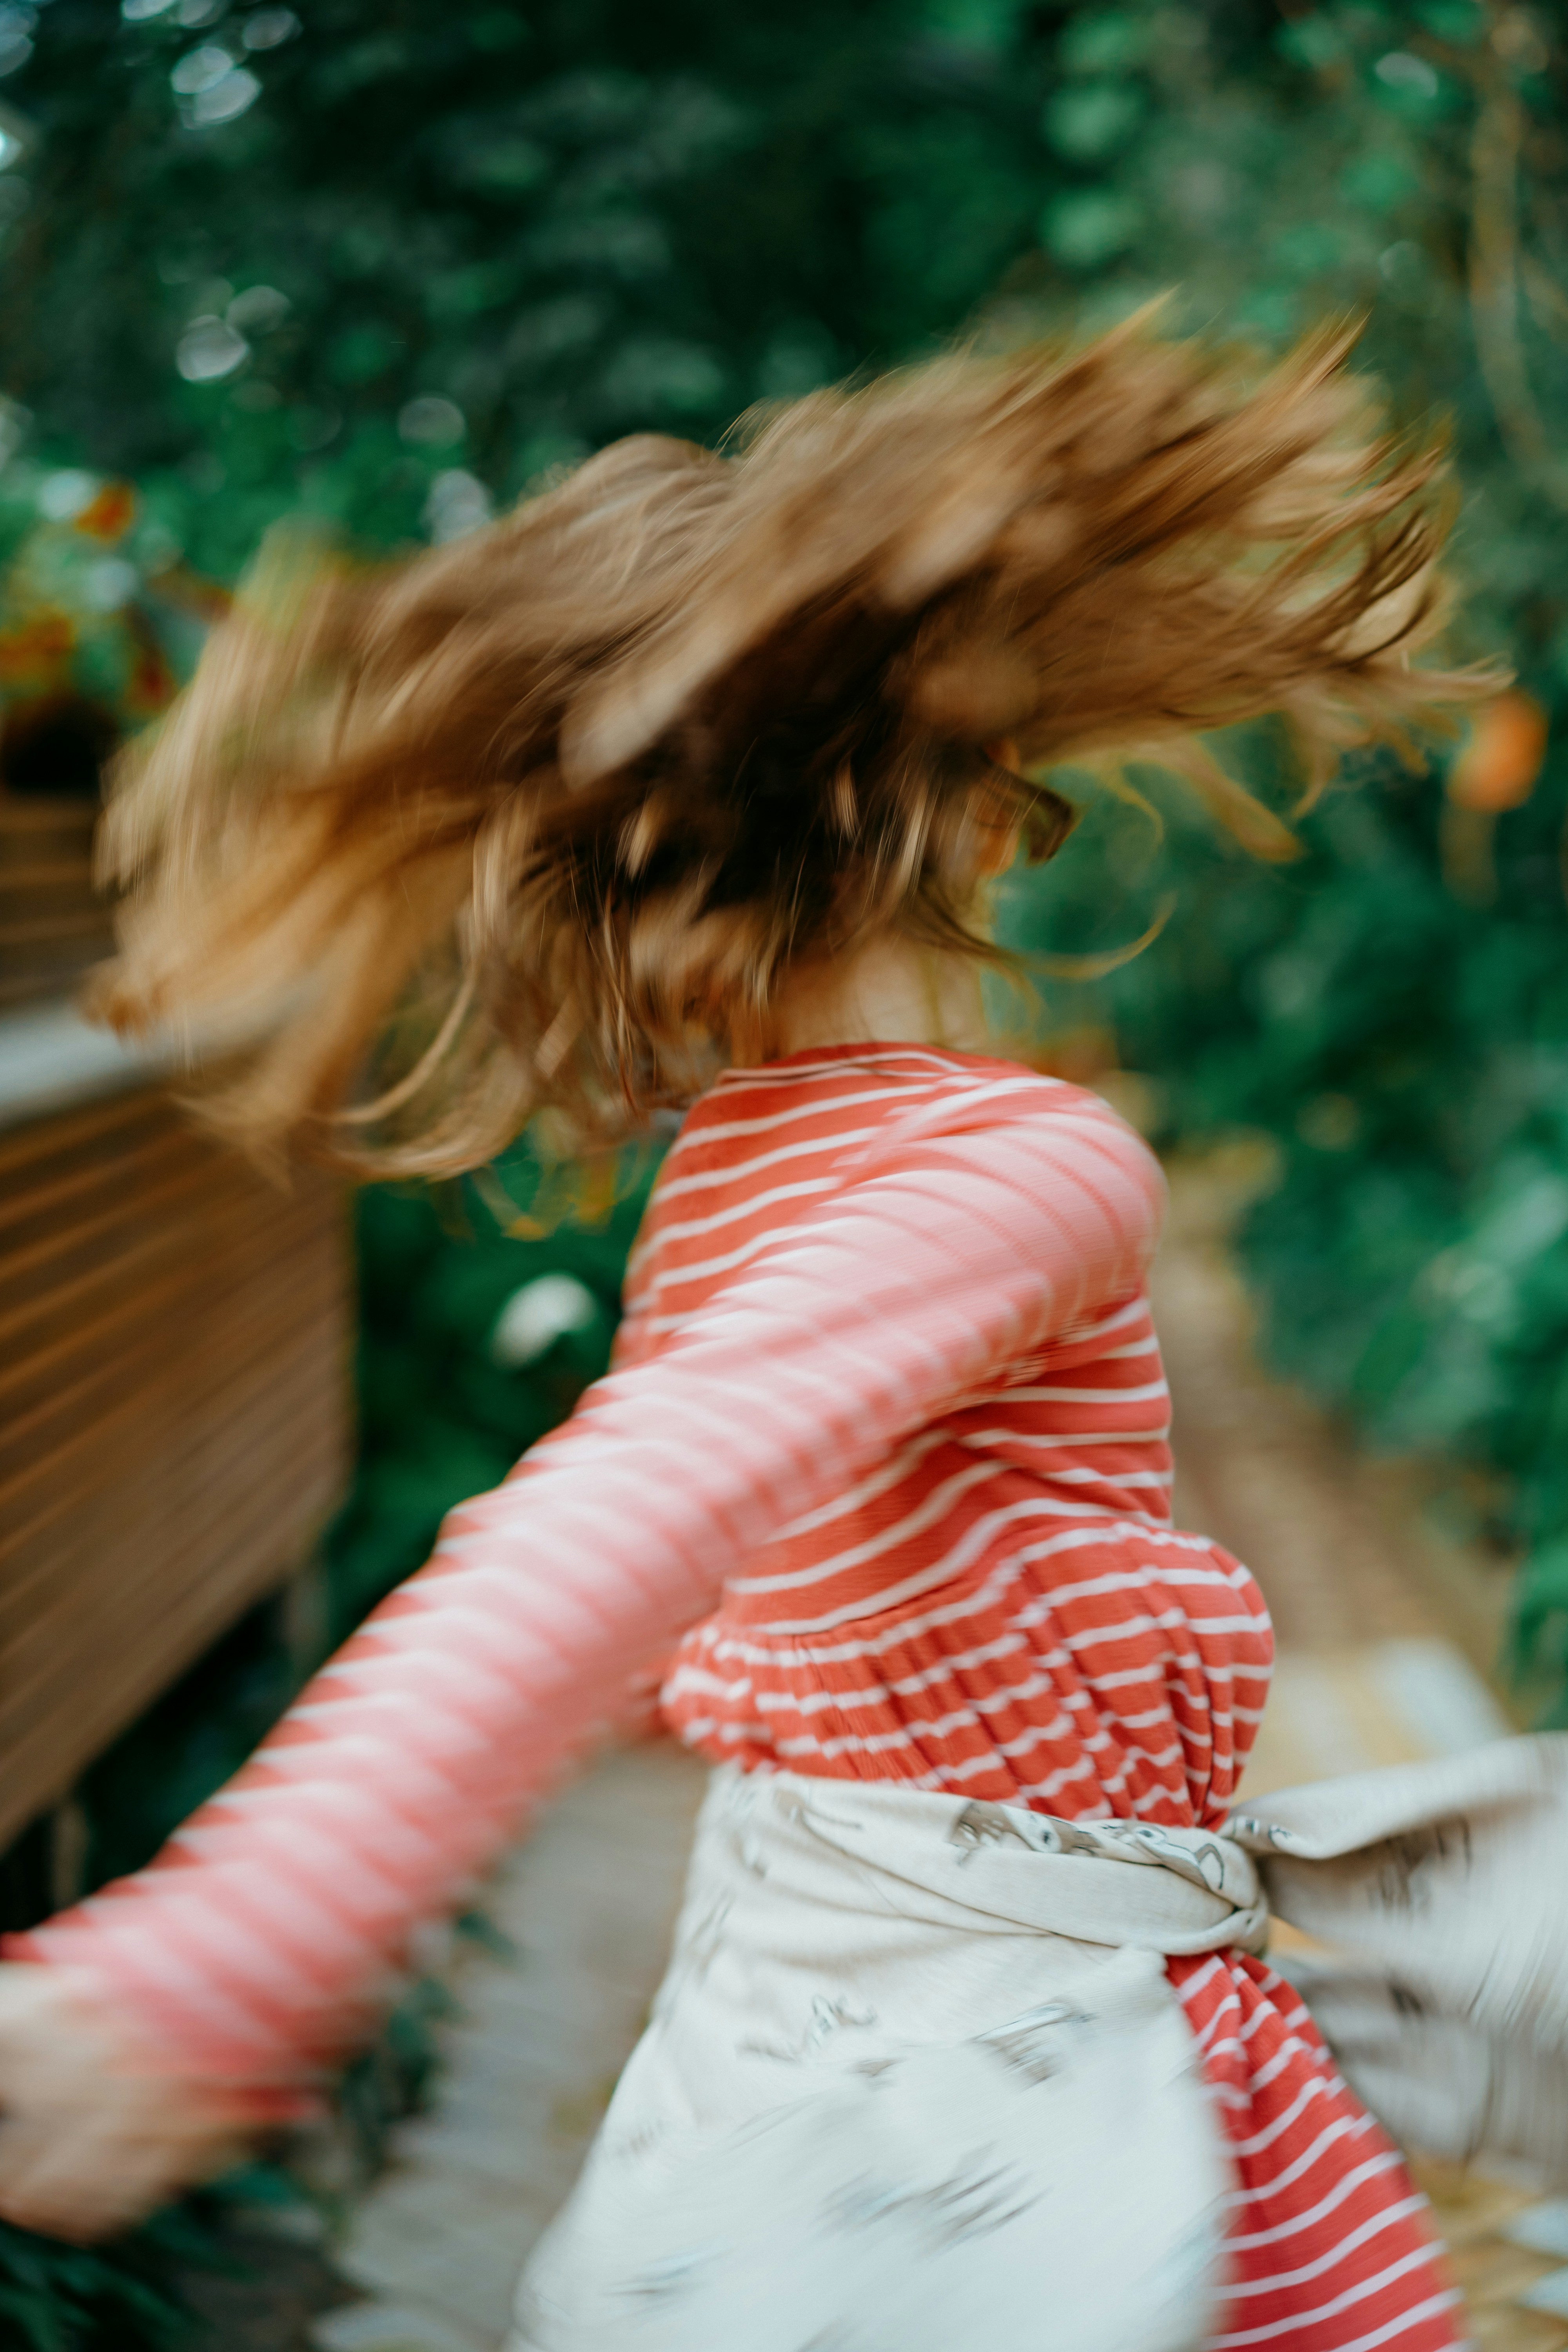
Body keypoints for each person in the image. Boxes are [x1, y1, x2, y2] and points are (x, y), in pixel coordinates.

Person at [0, 320, 1502, 2348]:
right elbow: (618, 1514)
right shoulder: (1023, 1166)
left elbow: (734, 1565)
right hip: (1024, 2105)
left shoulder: (733, 1180)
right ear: (949, 795)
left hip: (802, 2084)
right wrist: (230, 1955)